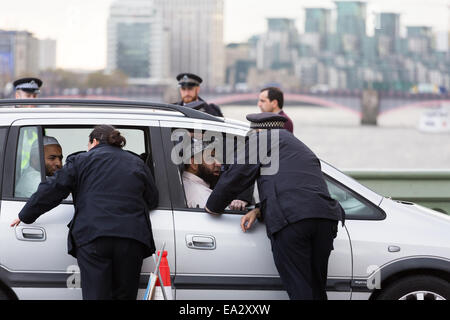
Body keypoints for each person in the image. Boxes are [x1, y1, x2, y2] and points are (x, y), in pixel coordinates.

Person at [205, 112, 344, 300]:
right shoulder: (297, 145)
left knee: (300, 289)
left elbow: (237, 176)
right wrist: (259, 209)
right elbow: (296, 188)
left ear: (257, 131)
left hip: (292, 221)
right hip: (325, 218)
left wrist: (213, 206)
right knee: (316, 289)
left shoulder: (261, 140)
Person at [11, 125, 159, 300]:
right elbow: (152, 199)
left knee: (96, 295)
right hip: (131, 239)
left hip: (93, 237)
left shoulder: (81, 161)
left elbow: (54, 189)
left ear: (93, 142)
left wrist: (25, 215)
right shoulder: (136, 163)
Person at [182, 138, 247, 210]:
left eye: (218, 158)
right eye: (211, 157)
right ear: (194, 163)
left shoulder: (183, 185)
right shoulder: (204, 197)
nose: (219, 164)